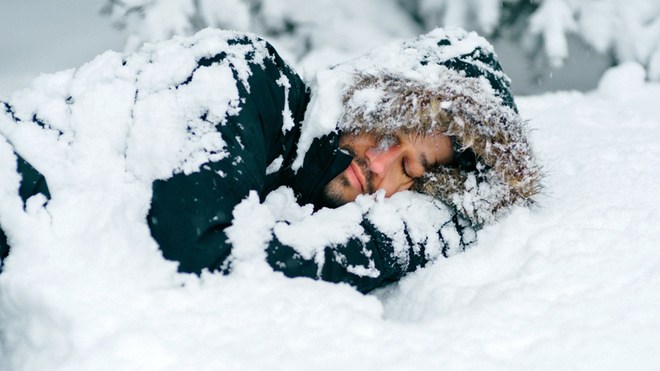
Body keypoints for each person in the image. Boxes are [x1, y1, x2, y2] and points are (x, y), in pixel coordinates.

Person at [0, 28, 540, 292]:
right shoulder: (250, 79)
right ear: (365, 96)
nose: (379, 164)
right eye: (386, 131)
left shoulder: (303, 191)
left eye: (410, 168)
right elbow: (191, 246)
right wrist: (397, 246)